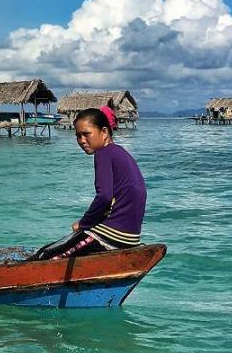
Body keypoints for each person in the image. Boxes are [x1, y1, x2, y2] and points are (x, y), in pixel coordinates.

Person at [30, 106, 146, 261]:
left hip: (111, 236)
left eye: (86, 134)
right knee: (53, 248)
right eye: (78, 136)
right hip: (131, 237)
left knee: (45, 256)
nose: (81, 140)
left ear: (104, 132)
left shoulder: (103, 153)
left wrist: (84, 223)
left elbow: (104, 197)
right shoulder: (121, 153)